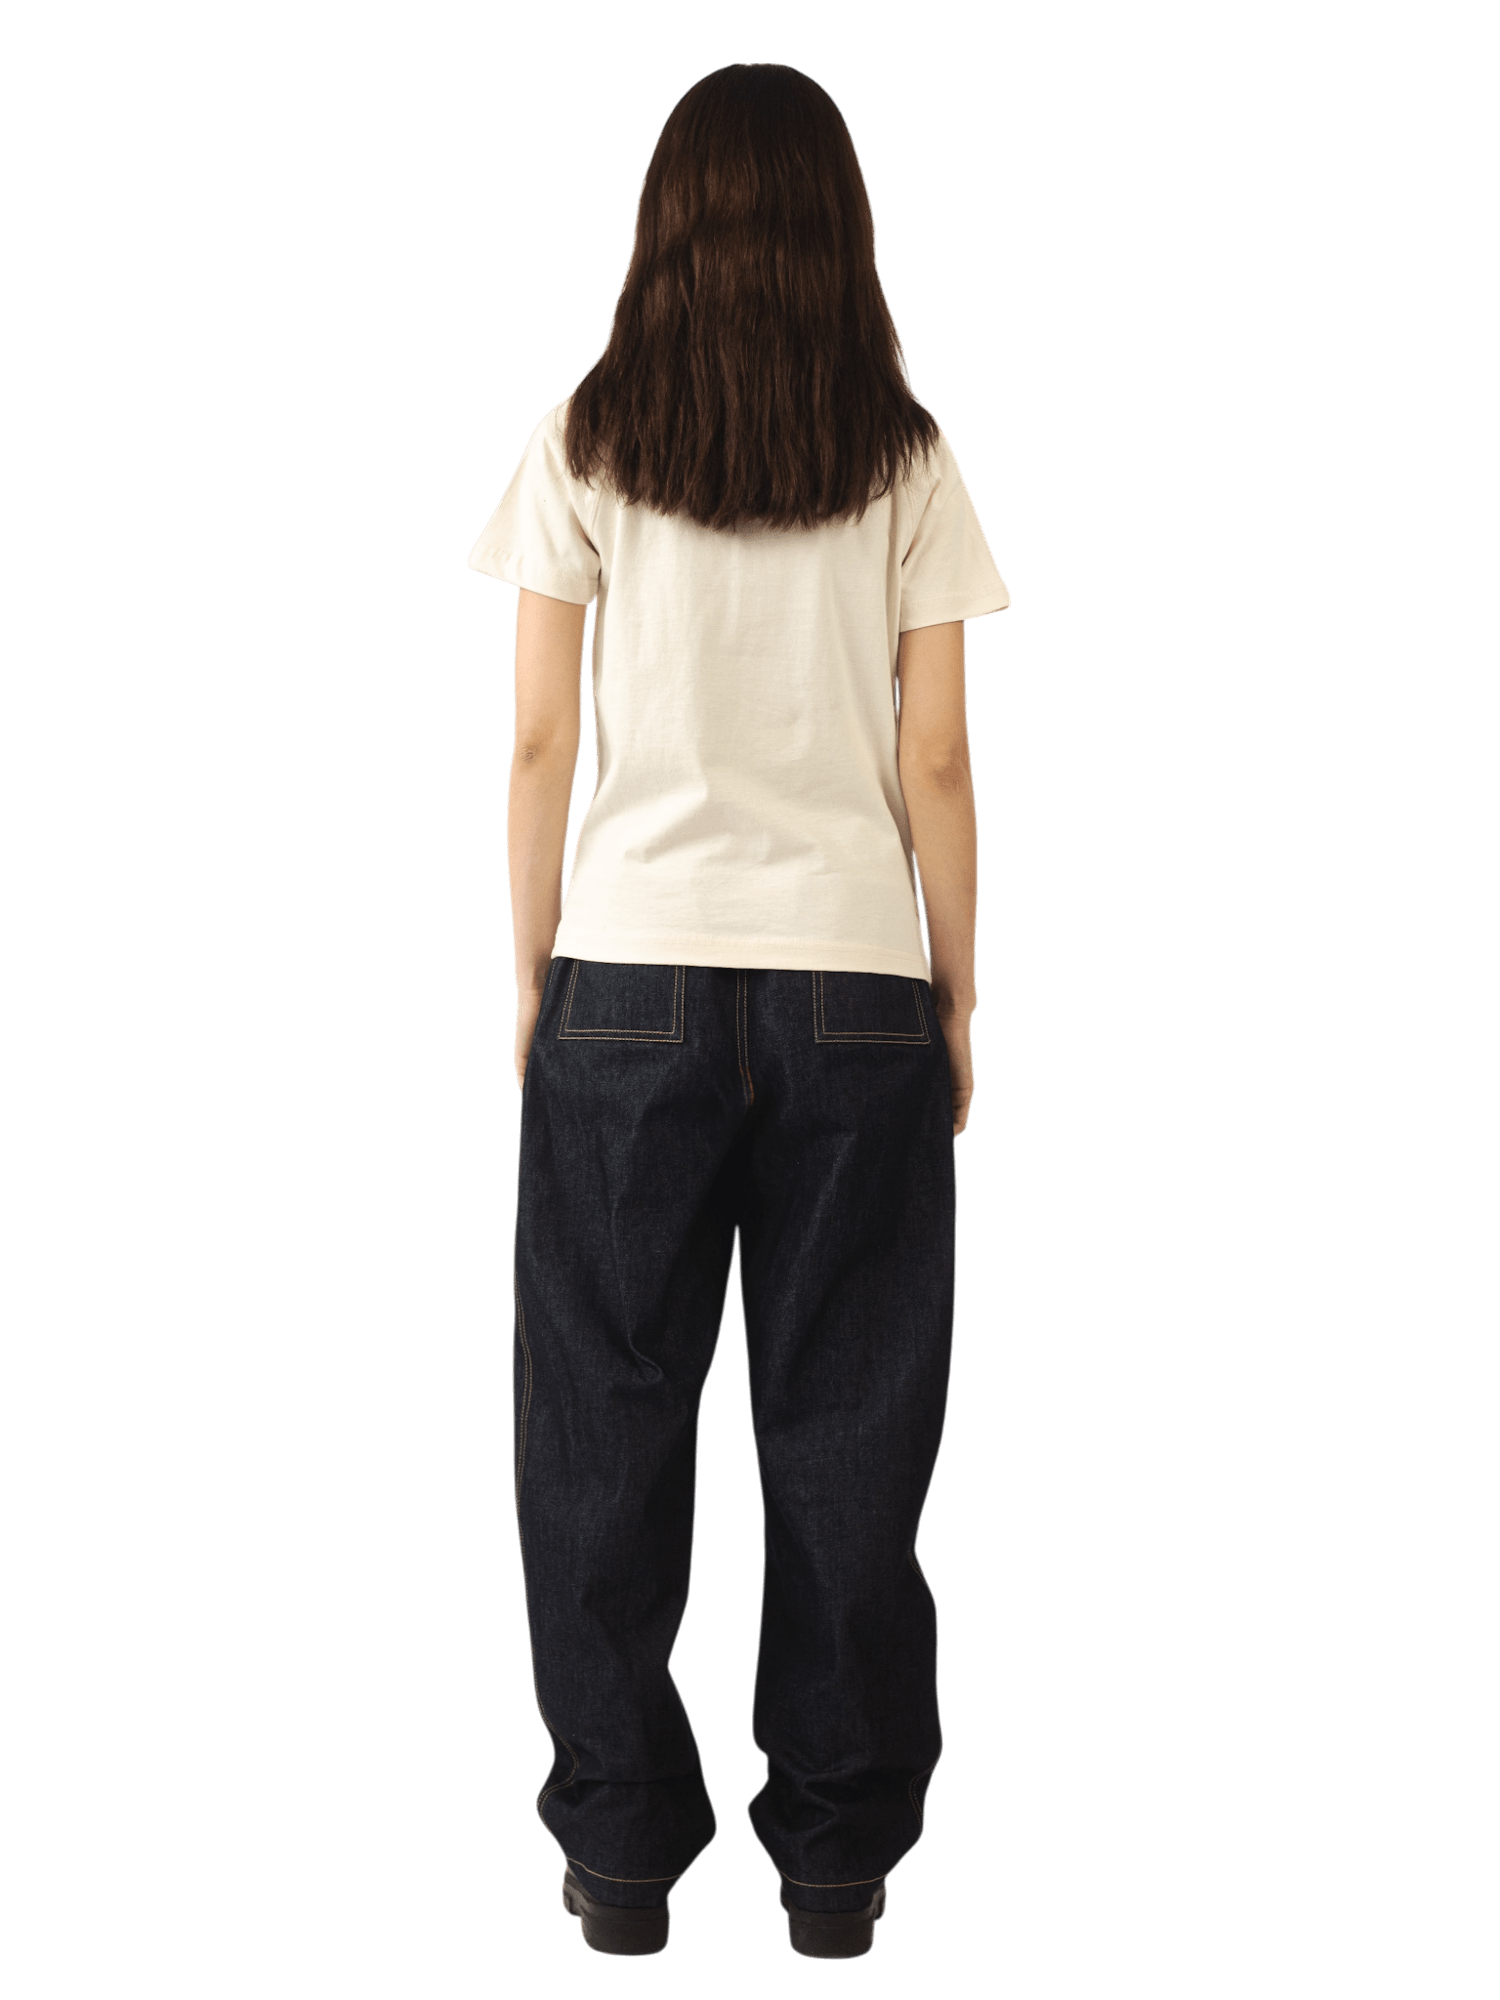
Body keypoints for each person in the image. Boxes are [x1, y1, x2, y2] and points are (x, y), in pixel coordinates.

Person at [467, 62, 1010, 1962]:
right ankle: (837, 1871)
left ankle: (620, 1861)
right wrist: (957, 991)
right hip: (858, 983)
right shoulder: (907, 457)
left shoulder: (584, 440)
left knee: (598, 1432)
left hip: (624, 977)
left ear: (666, 220)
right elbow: (933, 758)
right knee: (850, 1431)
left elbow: (541, 740)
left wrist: (534, 972)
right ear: (843, 224)